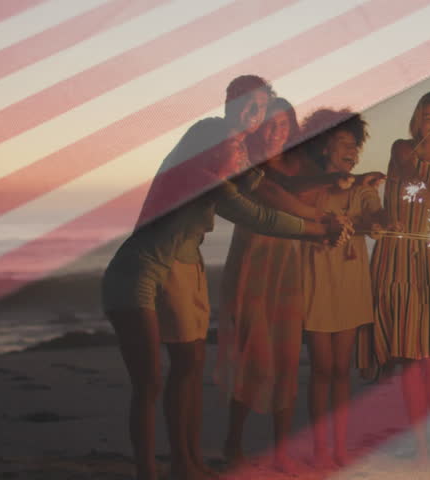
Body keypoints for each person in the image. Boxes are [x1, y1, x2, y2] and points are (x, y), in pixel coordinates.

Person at [101, 76, 343, 480]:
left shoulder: (236, 152)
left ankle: (186, 464)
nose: (254, 113)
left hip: (181, 262)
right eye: (246, 103)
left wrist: (321, 216)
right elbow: (255, 214)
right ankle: (147, 472)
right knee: (150, 381)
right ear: (229, 101)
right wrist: (317, 230)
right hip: (139, 268)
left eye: (260, 107)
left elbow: (268, 193)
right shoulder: (209, 139)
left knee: (189, 365)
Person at [215, 96, 351, 473]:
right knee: (254, 358)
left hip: (289, 267)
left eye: (283, 124)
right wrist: (326, 186)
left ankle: (280, 450)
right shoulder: (246, 163)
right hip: (251, 265)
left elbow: (313, 192)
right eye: (270, 125)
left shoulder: (300, 163)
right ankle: (233, 444)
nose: (276, 131)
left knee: (288, 360)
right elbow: (279, 189)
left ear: (292, 128)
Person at [357, 91, 430, 464]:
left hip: (429, 260)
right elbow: (411, 179)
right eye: (428, 118)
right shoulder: (403, 148)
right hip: (395, 258)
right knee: (408, 357)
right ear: (418, 121)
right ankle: (421, 446)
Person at [297, 110, 387, 468]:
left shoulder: (363, 188)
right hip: (318, 278)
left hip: (350, 279)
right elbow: (301, 215)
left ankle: (340, 446)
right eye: (344, 143)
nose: (352, 151)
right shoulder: (310, 186)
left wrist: (377, 221)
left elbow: (376, 216)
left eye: (355, 145)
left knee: (340, 369)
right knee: (322, 368)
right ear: (324, 147)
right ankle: (320, 447)